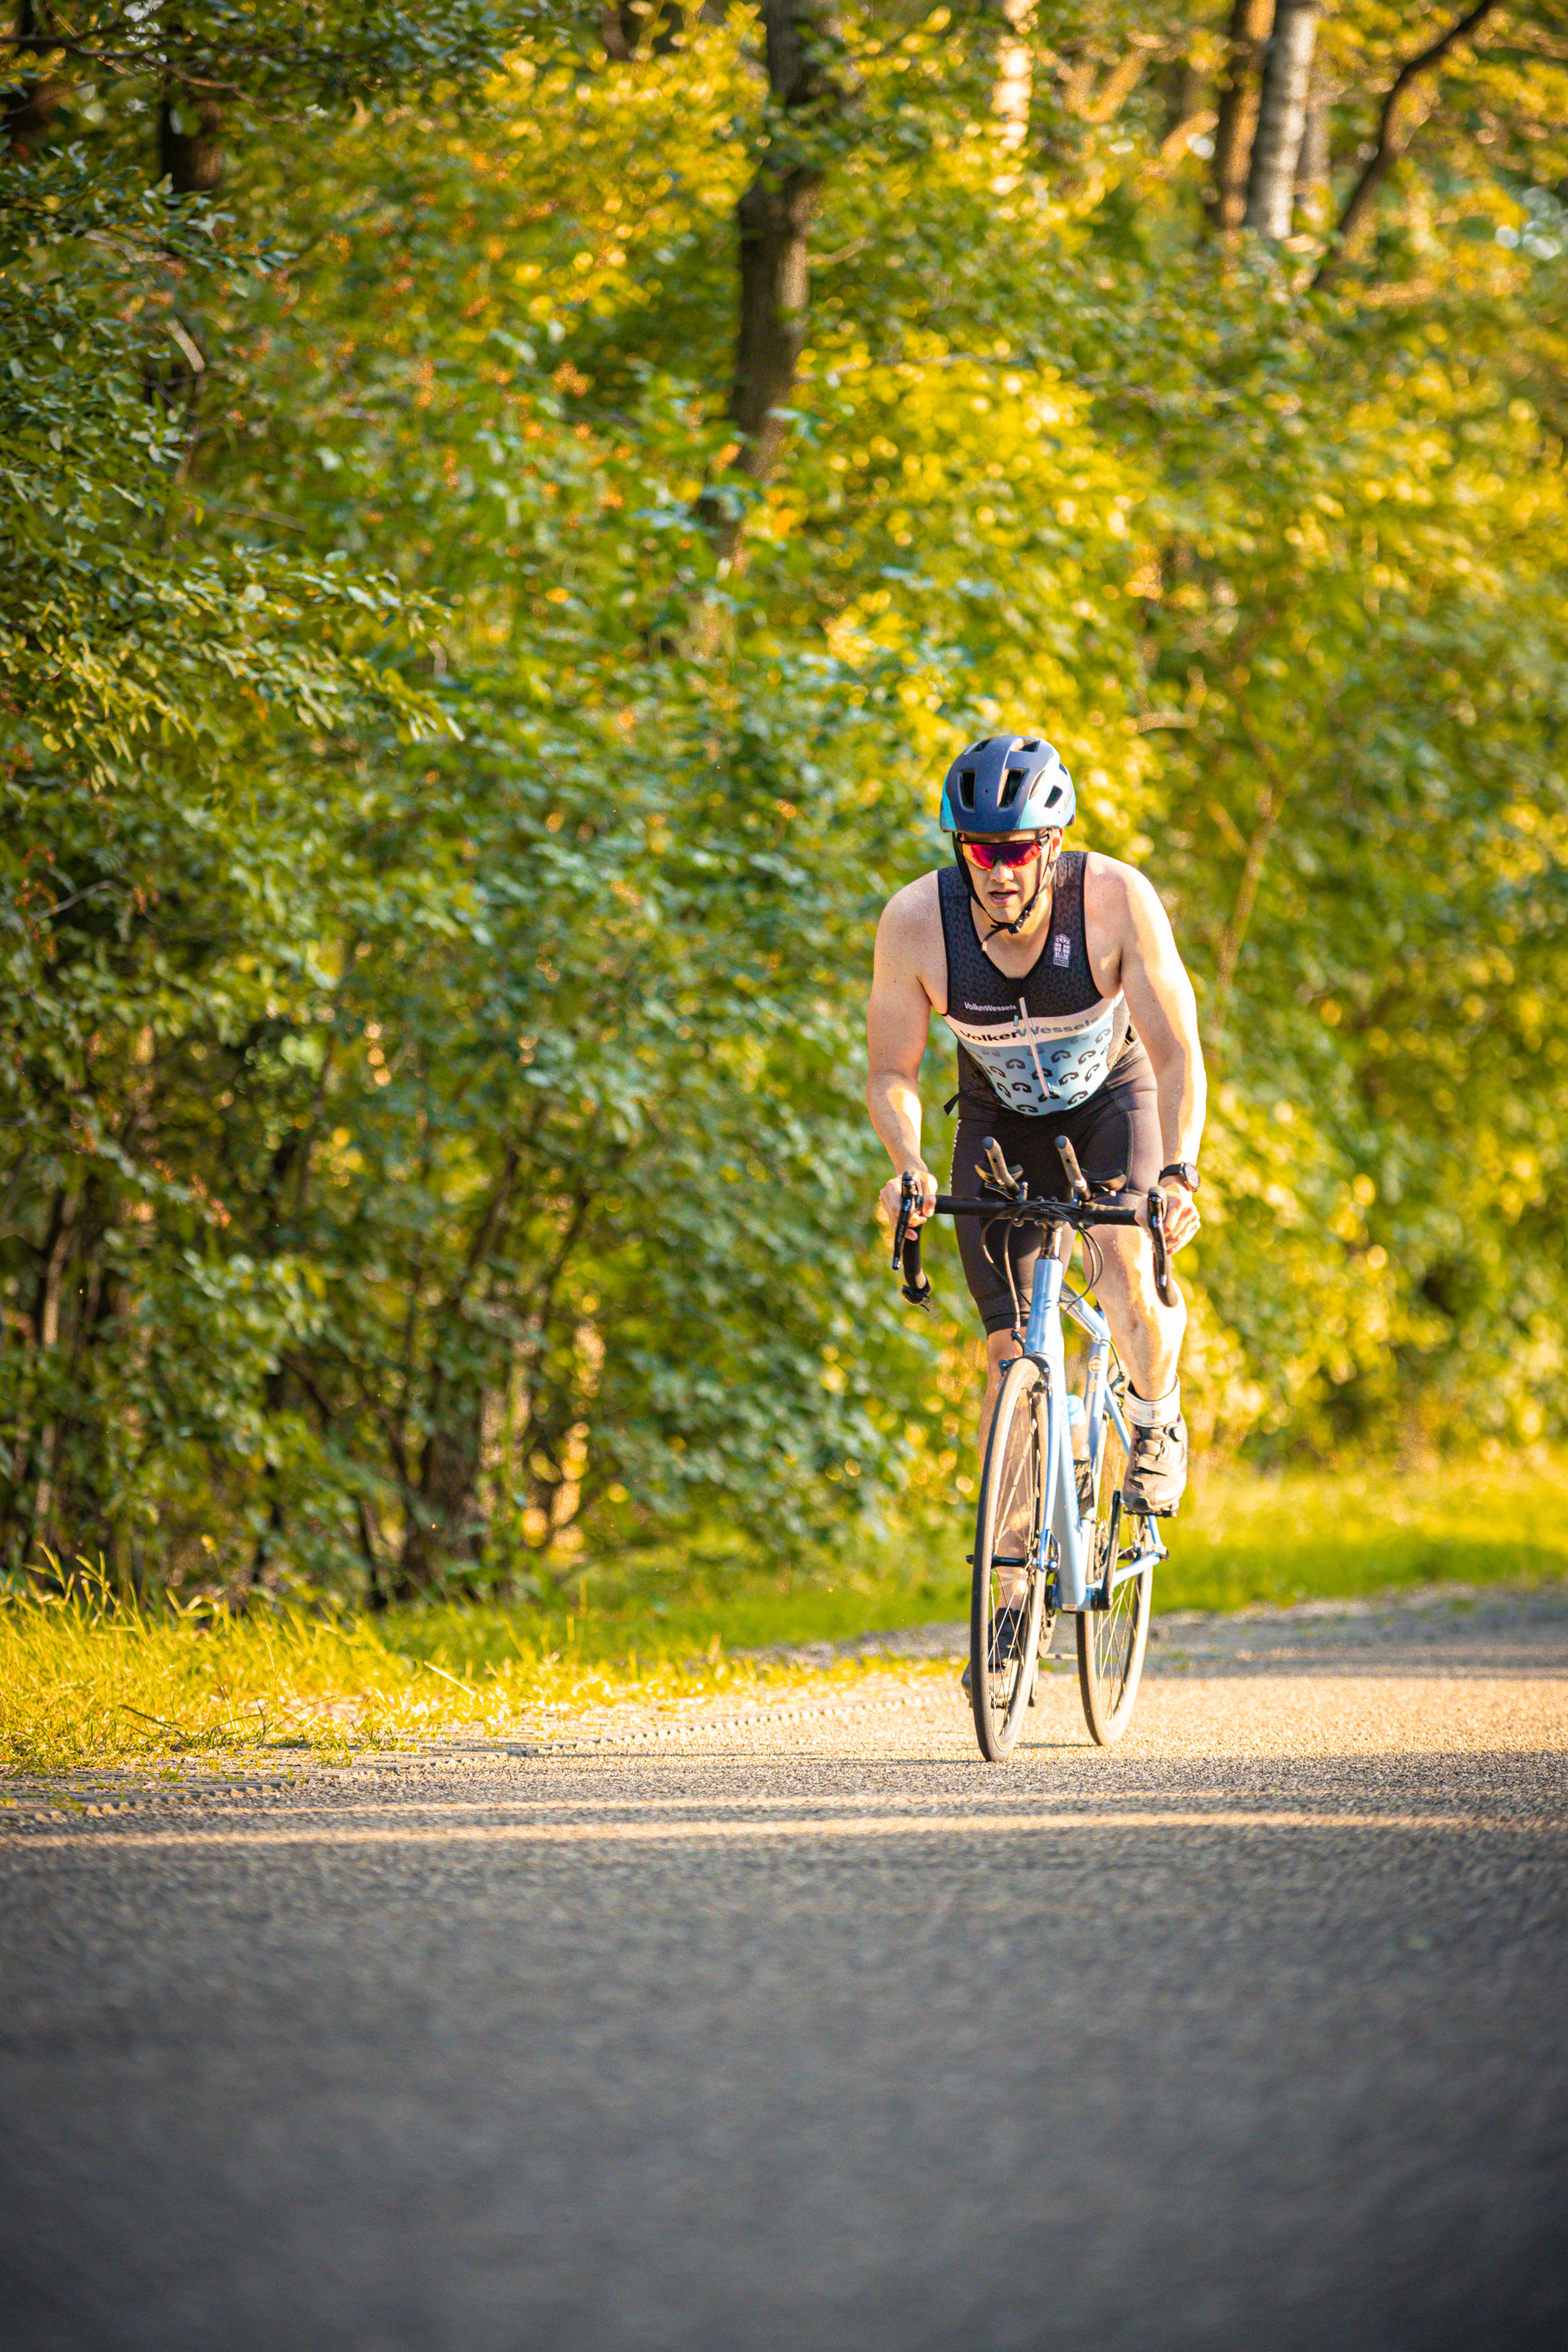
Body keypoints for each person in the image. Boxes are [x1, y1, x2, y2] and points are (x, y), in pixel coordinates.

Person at [866, 731, 1206, 1515]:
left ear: (1052, 844)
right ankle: (1010, 1581)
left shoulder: (1115, 902)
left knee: (1124, 1266)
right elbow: (891, 1071)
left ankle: (1155, 1422)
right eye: (979, 852)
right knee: (1005, 1352)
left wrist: (1178, 1172)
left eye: (1017, 852)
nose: (998, 872)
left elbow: (1176, 1053)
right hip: (996, 1122)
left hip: (1113, 1106)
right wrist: (908, 1163)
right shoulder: (917, 922)